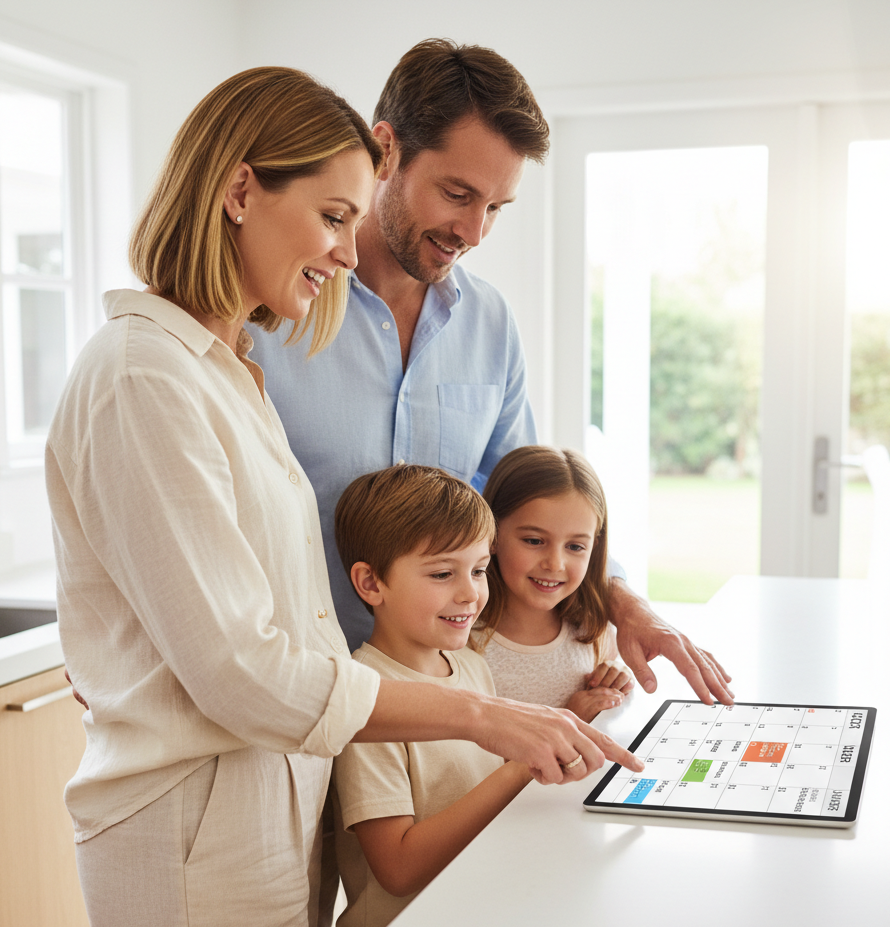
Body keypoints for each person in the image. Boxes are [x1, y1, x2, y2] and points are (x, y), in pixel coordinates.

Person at [47, 67, 641, 927]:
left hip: (270, 788)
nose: (344, 245)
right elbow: (240, 669)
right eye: (332, 216)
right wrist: (481, 715)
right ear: (240, 190)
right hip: (197, 814)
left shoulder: (226, 372)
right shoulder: (143, 374)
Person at [247, 39, 734, 707]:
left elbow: (522, 502)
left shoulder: (488, 324)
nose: (474, 231)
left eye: (497, 207)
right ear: (384, 150)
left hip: (447, 706)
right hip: (295, 700)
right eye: (458, 193)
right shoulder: (268, 311)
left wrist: (622, 599)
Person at [331, 465, 572, 927]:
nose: (471, 593)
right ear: (370, 583)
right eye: (443, 573)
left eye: (479, 570)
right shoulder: (363, 699)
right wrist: (521, 769)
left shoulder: (471, 666)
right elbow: (398, 871)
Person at [471, 445, 635, 722]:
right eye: (534, 541)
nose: (555, 564)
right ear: (493, 533)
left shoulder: (593, 629)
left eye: (574, 546)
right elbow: (465, 761)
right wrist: (570, 719)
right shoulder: (462, 642)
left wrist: (615, 676)